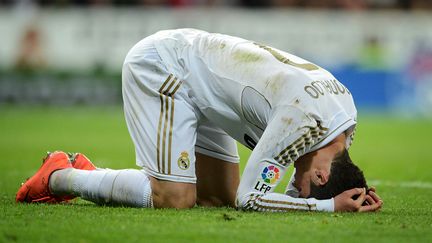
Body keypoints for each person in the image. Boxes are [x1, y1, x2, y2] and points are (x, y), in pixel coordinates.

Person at [16, 28, 383, 212]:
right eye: (303, 186)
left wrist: (349, 193)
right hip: (165, 67)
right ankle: (60, 175)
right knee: (175, 198)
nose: (294, 188)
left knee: (215, 196)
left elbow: (251, 194)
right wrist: (327, 205)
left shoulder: (344, 122)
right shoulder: (301, 121)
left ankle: (91, 173)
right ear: (321, 175)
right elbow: (251, 199)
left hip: (204, 84)